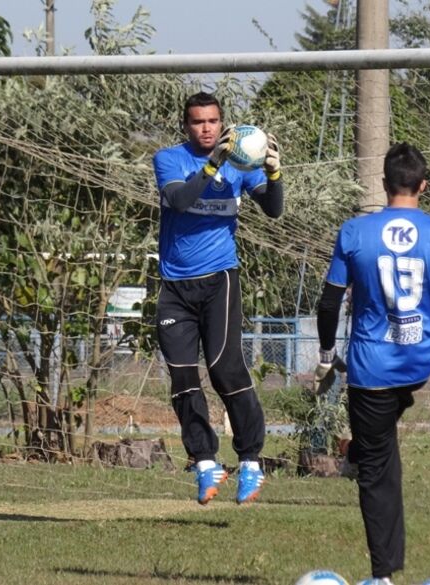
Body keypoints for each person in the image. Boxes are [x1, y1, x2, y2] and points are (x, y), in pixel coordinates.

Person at [313, 143, 430, 584]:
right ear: (423, 186)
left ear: (384, 185)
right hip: (420, 359)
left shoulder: (355, 231)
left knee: (376, 472)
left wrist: (326, 357)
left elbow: (329, 302)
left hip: (372, 366)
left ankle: (383, 576)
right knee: (379, 442)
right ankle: (368, 446)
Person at [152, 92, 284, 505]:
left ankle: (249, 461)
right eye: (197, 122)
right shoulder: (169, 159)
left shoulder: (242, 164)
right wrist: (214, 165)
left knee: (225, 370)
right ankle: (206, 462)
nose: (205, 128)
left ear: (222, 122)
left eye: (212, 121)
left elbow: (274, 210)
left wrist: (274, 174)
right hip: (174, 286)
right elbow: (180, 199)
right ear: (186, 125)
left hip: (219, 280)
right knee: (182, 377)